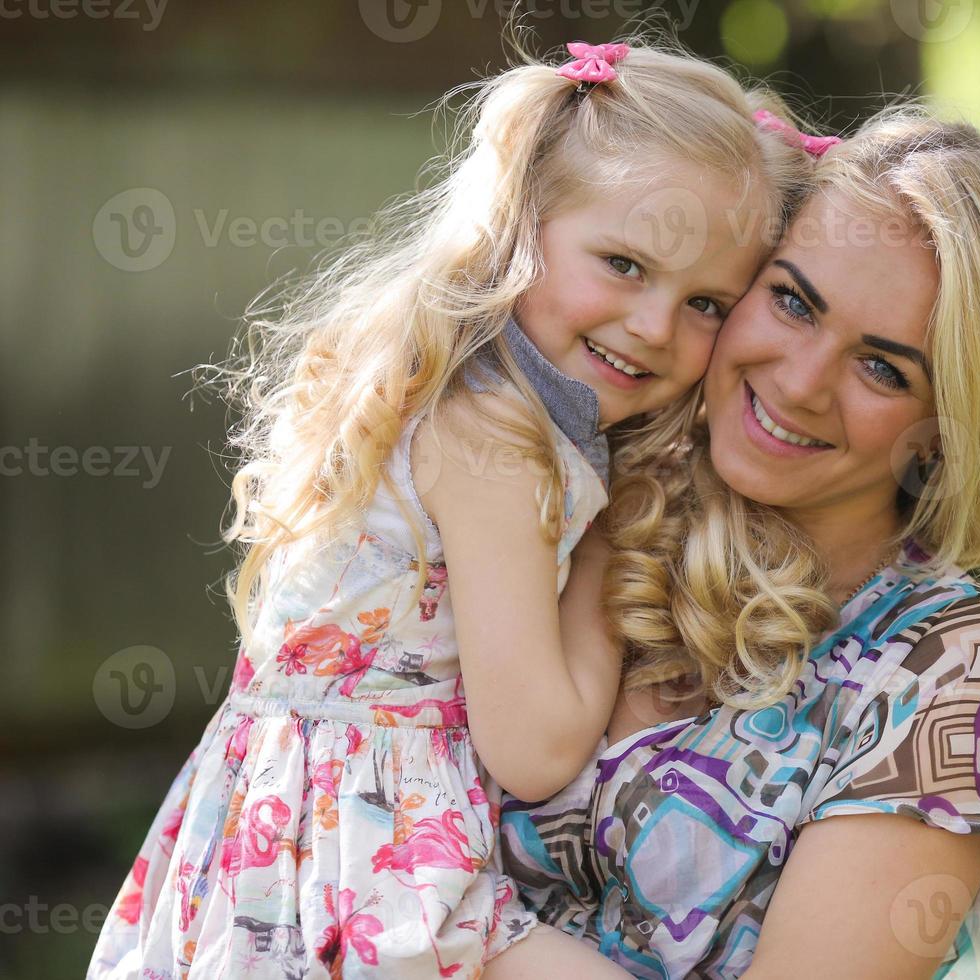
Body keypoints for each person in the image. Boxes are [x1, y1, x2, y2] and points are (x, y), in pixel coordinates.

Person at [87, 38, 810, 979]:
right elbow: (536, 747)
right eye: (624, 264)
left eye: (708, 302)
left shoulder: (467, 394)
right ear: (519, 225)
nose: (655, 326)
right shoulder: (495, 445)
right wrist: (609, 551)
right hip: (358, 867)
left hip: (294, 845)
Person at [495, 106, 980, 979]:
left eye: (884, 368)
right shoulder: (572, 488)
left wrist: (445, 921)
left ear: (947, 430)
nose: (801, 383)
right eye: (792, 301)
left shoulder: (946, 664)